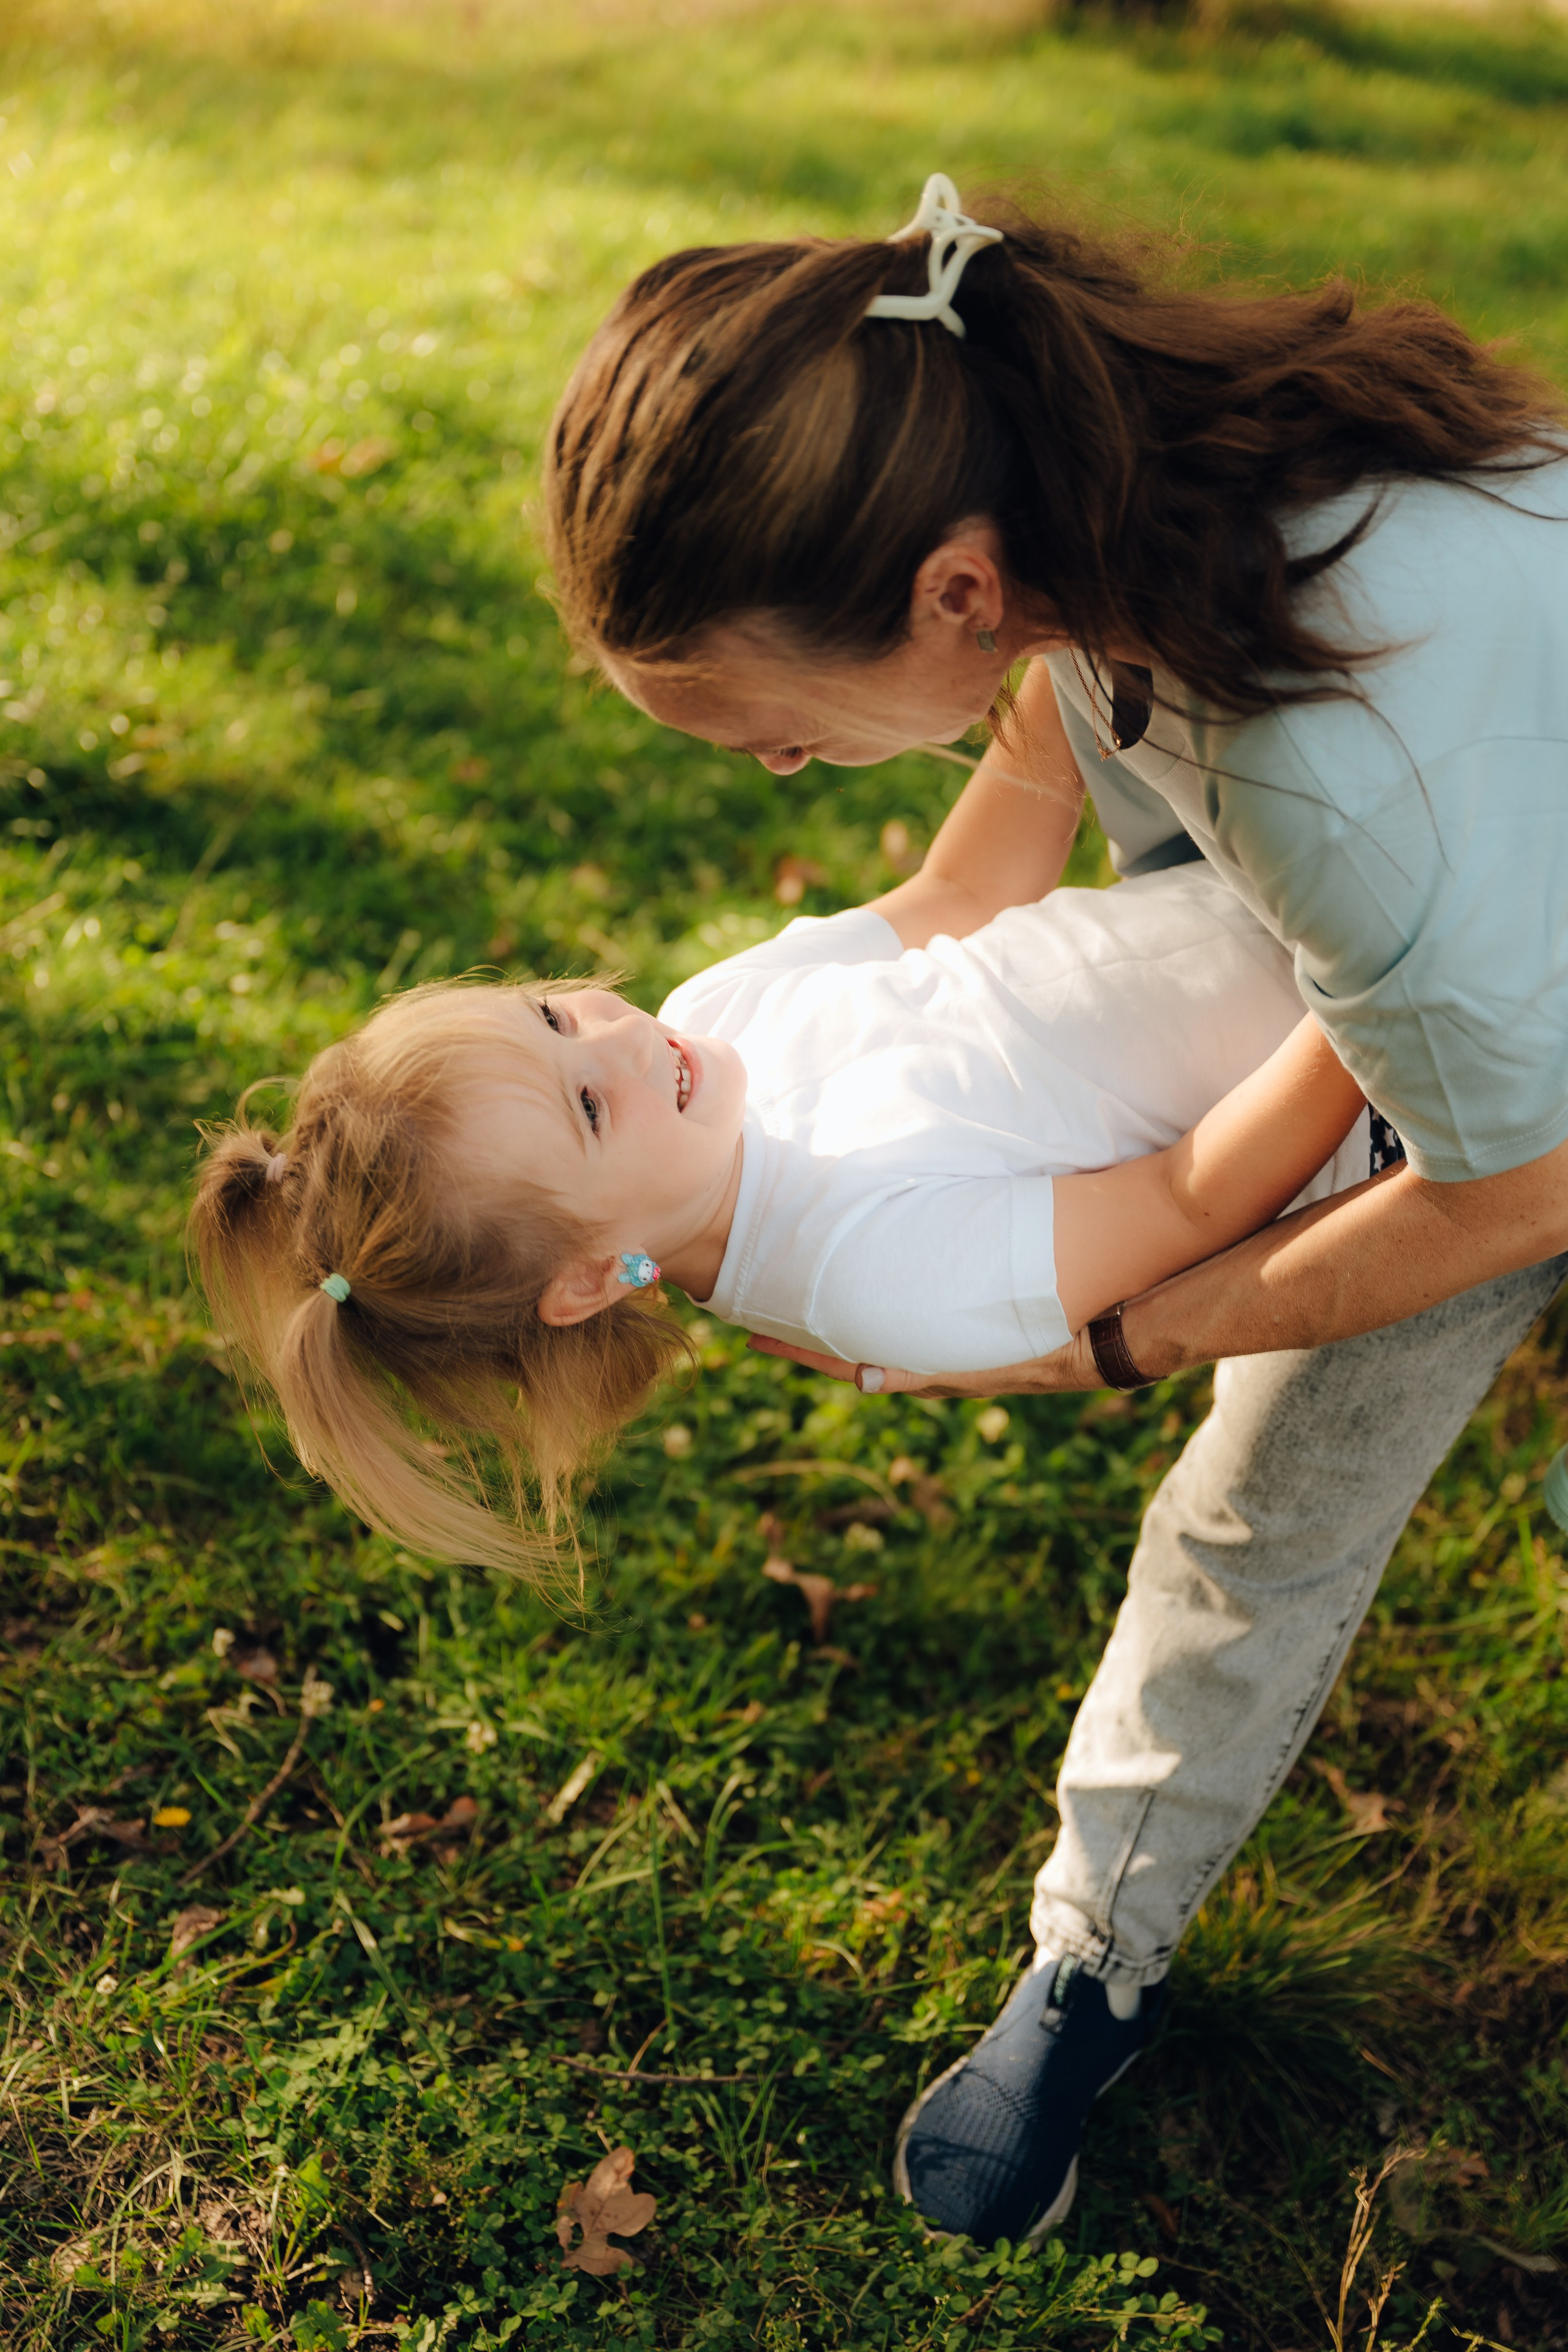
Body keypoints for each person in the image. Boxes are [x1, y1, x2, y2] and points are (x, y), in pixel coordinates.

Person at [540, 175, 1568, 2243]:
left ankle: (1093, 1959)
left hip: (1472, 1097)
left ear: (946, 586)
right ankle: (1096, 1964)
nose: (790, 772)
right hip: (1425, 968)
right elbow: (991, 839)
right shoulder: (1098, 465)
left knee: (1250, 1520)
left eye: (778, 736)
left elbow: (1515, 1174)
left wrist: (1121, 1336)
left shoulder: (1331, 784)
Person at [190, 757, 1366, 1581]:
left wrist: (1055, 656)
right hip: (1375, 1062)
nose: (621, 1036)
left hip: (1266, 887)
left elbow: (963, 893)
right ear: (593, 1277)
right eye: (592, 1108)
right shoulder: (866, 1276)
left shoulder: (719, 1015)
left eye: (552, 1016)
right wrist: (1374, 991)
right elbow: (1191, 1196)